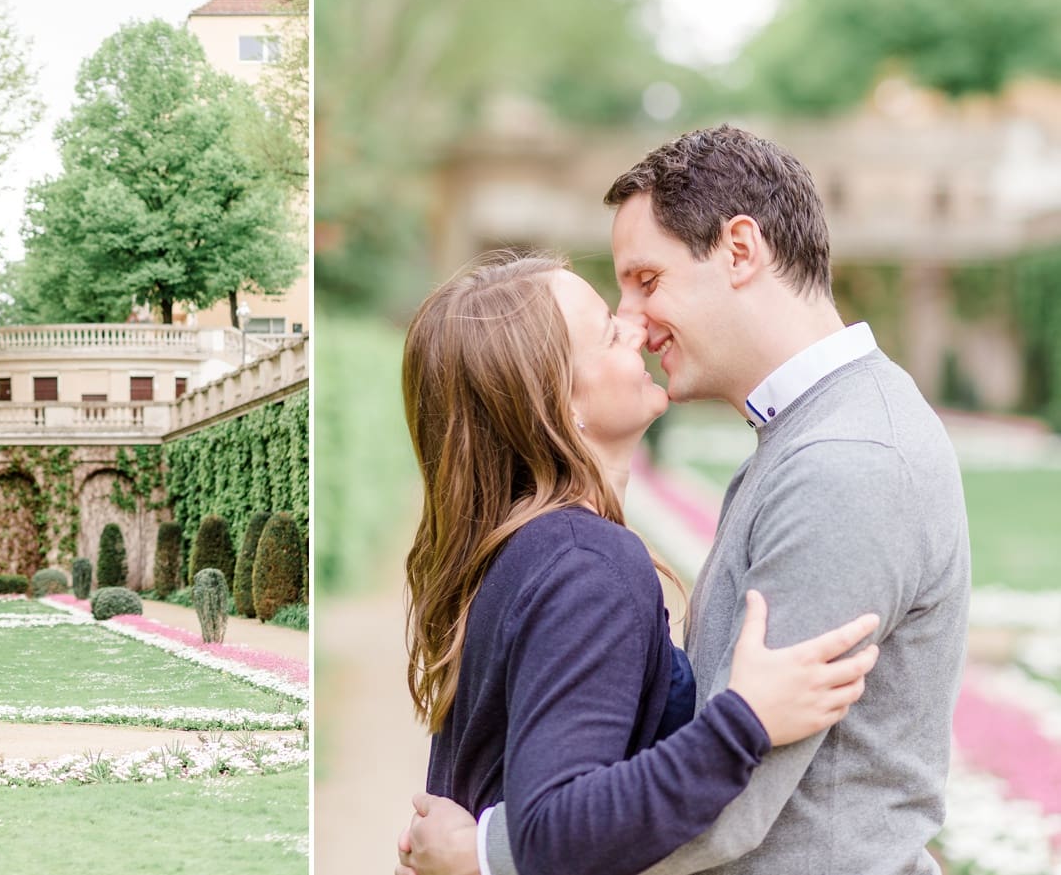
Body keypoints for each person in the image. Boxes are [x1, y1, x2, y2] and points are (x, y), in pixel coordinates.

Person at [401, 126, 970, 875]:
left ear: (740, 250)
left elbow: (734, 808)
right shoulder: (799, 440)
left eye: (645, 279)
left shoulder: (847, 462)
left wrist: (486, 852)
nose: (632, 317)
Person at [395, 250, 881, 875]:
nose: (635, 325)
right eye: (606, 331)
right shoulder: (586, 563)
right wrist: (745, 723)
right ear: (558, 404)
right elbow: (551, 828)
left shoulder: (527, 549)